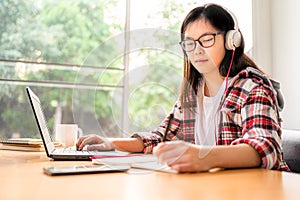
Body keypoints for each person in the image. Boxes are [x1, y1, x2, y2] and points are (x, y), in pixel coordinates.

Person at [76, 3, 290, 172]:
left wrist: (202, 157)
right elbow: (160, 138)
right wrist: (110, 143)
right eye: (189, 43)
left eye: (206, 39)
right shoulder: (192, 93)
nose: (196, 50)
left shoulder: (252, 87)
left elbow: (266, 148)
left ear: (231, 41)